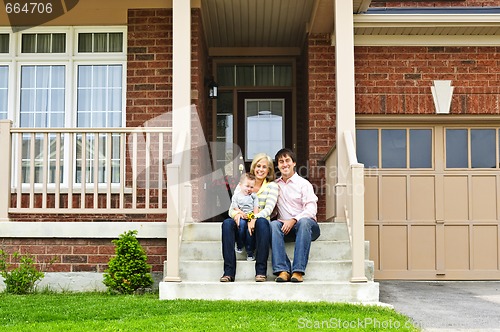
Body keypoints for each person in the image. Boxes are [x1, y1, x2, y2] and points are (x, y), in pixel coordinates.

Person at [220, 153, 278, 282]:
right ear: (254, 166)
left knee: (263, 222)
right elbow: (231, 209)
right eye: (258, 166)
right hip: (241, 223)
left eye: (264, 167)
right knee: (227, 224)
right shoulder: (242, 184)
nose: (261, 169)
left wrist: (253, 218)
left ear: (269, 170)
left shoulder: (272, 186)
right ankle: (228, 272)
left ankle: (261, 271)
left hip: (258, 226)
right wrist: (237, 215)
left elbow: (268, 209)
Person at [271, 148, 320, 283]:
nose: (284, 164)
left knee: (303, 222)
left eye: (287, 161)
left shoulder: (303, 184)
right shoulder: (275, 186)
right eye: (281, 161)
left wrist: (294, 220)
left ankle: (298, 271)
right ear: (278, 165)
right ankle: (283, 270)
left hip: (308, 228)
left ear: (294, 163)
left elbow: (311, 209)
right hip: (285, 228)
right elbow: (272, 209)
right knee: (273, 224)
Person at [229, 172, 259, 261]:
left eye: (251, 187)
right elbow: (235, 208)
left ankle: (250, 252)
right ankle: (240, 244)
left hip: (250, 217)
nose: (249, 189)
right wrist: (241, 214)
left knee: (249, 233)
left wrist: (253, 218)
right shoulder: (236, 196)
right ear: (240, 185)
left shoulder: (254, 196)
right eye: (247, 186)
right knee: (241, 227)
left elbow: (256, 208)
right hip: (241, 217)